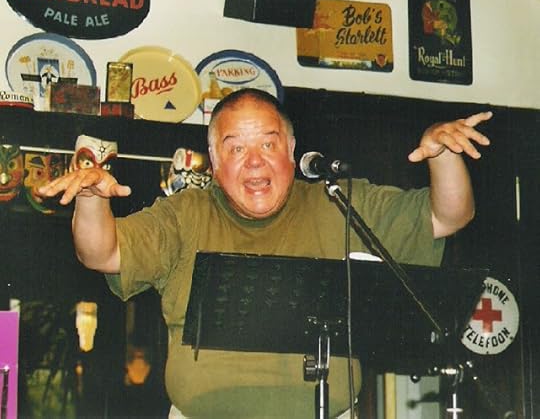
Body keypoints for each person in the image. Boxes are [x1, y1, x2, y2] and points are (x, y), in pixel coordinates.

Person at [38, 88, 492, 418]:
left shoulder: (341, 202)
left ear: (291, 152)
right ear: (215, 161)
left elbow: (449, 216)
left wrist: (443, 155)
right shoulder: (185, 214)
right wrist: (91, 199)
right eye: (236, 148)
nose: (254, 161)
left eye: (268, 144)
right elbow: (103, 254)